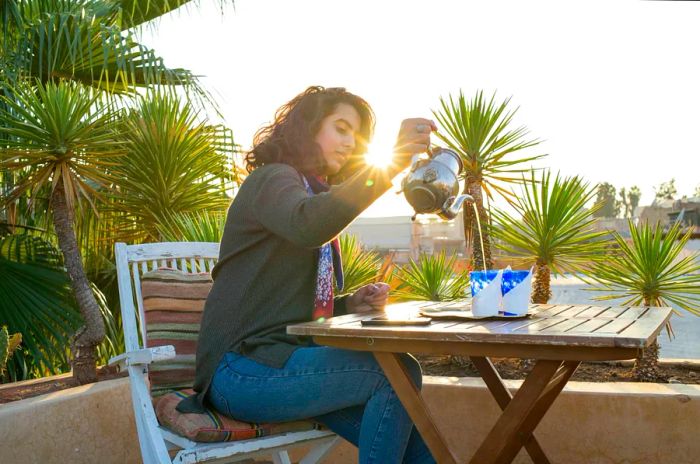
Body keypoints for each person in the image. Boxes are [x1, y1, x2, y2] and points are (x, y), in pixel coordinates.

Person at [177, 86, 437, 464]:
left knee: (418, 452)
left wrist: (349, 304)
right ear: (308, 128)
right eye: (342, 128)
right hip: (241, 371)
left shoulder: (310, 194)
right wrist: (394, 160)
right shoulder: (272, 180)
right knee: (394, 373)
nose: (351, 142)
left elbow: (297, 311)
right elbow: (307, 225)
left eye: (357, 135)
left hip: (283, 367)